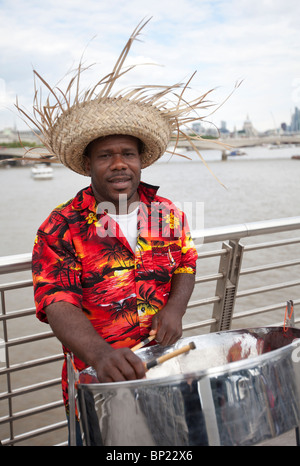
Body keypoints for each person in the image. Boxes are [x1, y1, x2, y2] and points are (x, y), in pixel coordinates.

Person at [17, 19, 218, 437]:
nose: (120, 163)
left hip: (165, 365)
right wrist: (100, 353)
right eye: (106, 155)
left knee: (173, 443)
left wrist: (175, 309)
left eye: (128, 153)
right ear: (89, 165)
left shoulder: (165, 212)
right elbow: (56, 301)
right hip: (101, 378)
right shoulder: (59, 227)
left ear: (141, 160)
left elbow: (186, 261)